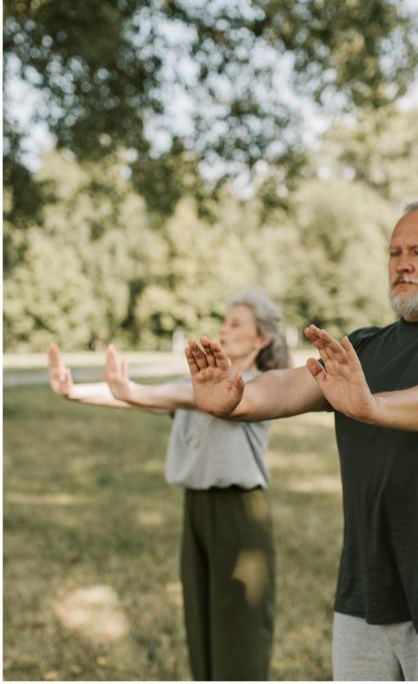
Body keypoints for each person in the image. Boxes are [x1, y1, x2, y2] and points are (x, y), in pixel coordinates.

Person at [185, 201, 418, 681]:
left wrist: (373, 407)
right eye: (394, 252)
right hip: (365, 592)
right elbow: (289, 385)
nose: (402, 263)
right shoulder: (361, 347)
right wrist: (236, 401)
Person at [48, 288, 291, 681]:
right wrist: (73, 391)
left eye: (235, 323)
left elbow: (180, 395)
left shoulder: (262, 384)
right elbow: (154, 397)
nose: (224, 329)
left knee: (241, 626)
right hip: (196, 508)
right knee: (201, 615)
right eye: (223, 321)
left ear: (261, 338)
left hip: (239, 512)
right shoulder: (195, 382)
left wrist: (133, 390)